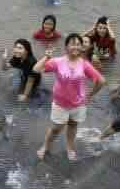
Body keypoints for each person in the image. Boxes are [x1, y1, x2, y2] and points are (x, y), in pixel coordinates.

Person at [33, 33, 106, 161]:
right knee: (56, 129)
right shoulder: (57, 62)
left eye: (78, 44)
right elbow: (36, 69)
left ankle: (70, 147)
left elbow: (101, 81)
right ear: (66, 46)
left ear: (81, 48)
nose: (75, 47)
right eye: (72, 44)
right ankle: (45, 146)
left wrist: (90, 95)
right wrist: (46, 57)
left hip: (78, 104)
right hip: (60, 104)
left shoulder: (84, 64)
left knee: (73, 125)